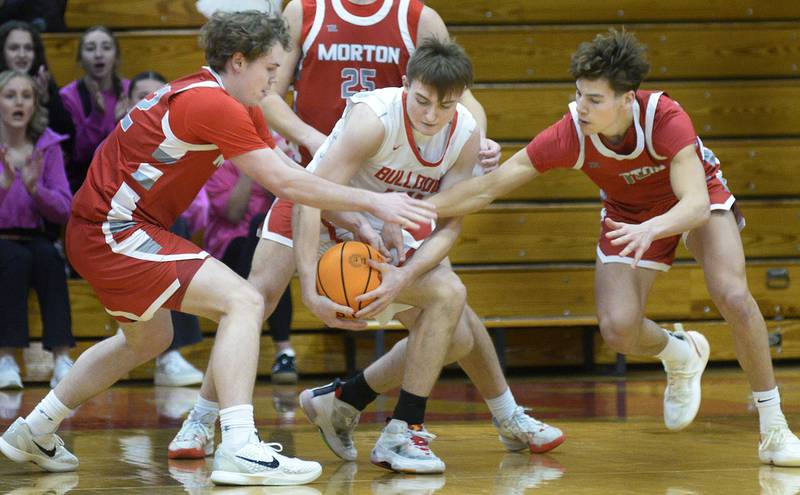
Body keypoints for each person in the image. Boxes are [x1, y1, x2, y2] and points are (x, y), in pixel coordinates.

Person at [0, 11, 434, 487]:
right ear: (238, 60)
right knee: (243, 301)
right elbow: (286, 178)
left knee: (146, 340)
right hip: (113, 229)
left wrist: (355, 220)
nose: (275, 80)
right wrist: (376, 202)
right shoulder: (212, 104)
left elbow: (290, 188)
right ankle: (239, 445)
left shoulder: (233, 103)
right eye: (269, 69)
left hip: (109, 230)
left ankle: (34, 430)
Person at [168, 0, 560, 467]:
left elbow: (456, 104)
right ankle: (201, 416)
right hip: (319, 184)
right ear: (405, 86)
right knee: (256, 298)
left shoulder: (421, 25)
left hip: (384, 205)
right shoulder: (310, 18)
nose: (434, 114)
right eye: (424, 100)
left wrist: (474, 141)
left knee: (451, 323)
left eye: (445, 107)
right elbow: (276, 106)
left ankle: (355, 402)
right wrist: (312, 288)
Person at [424, 29, 800, 466]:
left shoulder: (664, 117)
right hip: (629, 214)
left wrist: (656, 228)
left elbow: (696, 204)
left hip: (692, 200)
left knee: (733, 295)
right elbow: (488, 188)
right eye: (579, 94)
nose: (581, 106)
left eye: (595, 99)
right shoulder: (570, 132)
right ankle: (682, 352)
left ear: (628, 99)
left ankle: (774, 427)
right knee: (618, 329)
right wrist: (409, 208)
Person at [127, 71, 206, 387]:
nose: (148, 101)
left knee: (178, 228)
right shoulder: (118, 139)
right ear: (126, 103)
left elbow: (200, 210)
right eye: (140, 95)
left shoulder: (180, 141)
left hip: (162, 229)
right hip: (119, 230)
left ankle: (170, 354)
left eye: (154, 95)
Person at [0, 70, 74, 390]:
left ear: (34, 104)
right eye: (10, 95)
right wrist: (4, 188)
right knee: (15, 260)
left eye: (26, 96)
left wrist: (35, 190)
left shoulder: (48, 146)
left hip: (36, 236)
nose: (19, 102)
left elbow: (64, 208)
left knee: (48, 259)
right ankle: (5, 358)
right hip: (2, 240)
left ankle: (61, 358)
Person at [59, 26, 129, 193]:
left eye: (106, 47)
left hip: (125, 180)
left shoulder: (129, 90)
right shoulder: (68, 96)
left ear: (116, 57)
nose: (98, 54)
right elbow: (79, 156)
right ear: (80, 59)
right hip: (82, 183)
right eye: (90, 48)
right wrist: (97, 116)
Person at [0, 21, 74, 149]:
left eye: (28, 48)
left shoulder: (45, 84)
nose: (22, 55)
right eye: (14, 48)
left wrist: (44, 101)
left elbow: (67, 139)